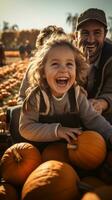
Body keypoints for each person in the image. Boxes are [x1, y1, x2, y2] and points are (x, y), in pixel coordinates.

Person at [19, 36, 112, 152]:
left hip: (71, 148)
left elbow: (93, 119)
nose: (63, 69)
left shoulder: (77, 95)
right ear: (43, 71)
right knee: (16, 113)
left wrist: (109, 134)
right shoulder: (37, 97)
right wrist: (58, 130)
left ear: (76, 69)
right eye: (55, 64)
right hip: (40, 149)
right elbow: (25, 128)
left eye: (69, 64)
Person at [76, 8, 112, 124]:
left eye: (97, 33)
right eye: (85, 33)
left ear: (105, 34)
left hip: (102, 115)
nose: (90, 40)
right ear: (76, 35)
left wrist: (102, 103)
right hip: (70, 114)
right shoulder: (64, 54)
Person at [18, 25, 66, 103]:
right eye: (46, 47)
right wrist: (26, 108)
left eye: (56, 46)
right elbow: (22, 96)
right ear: (40, 49)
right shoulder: (32, 68)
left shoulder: (69, 69)